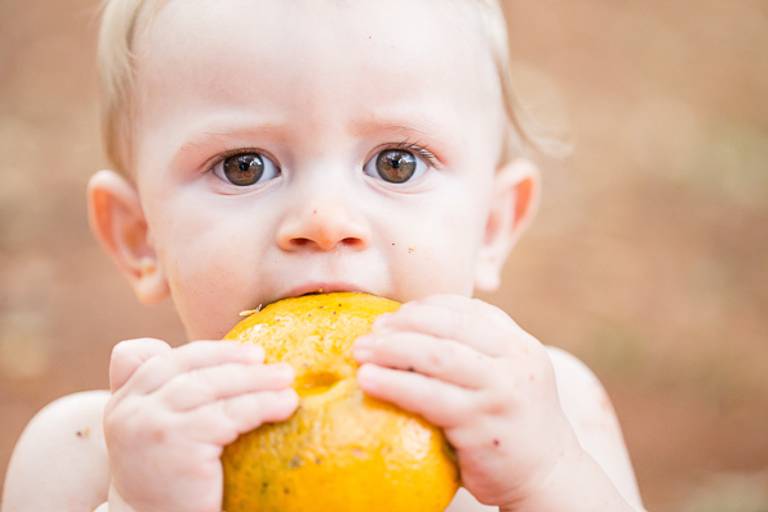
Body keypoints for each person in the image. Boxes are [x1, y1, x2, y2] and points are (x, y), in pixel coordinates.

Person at [2, 0, 647, 510]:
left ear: (491, 224)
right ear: (140, 235)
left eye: (395, 164)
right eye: (244, 165)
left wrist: (548, 478)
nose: (323, 220)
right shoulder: (80, 459)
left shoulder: (556, 417)